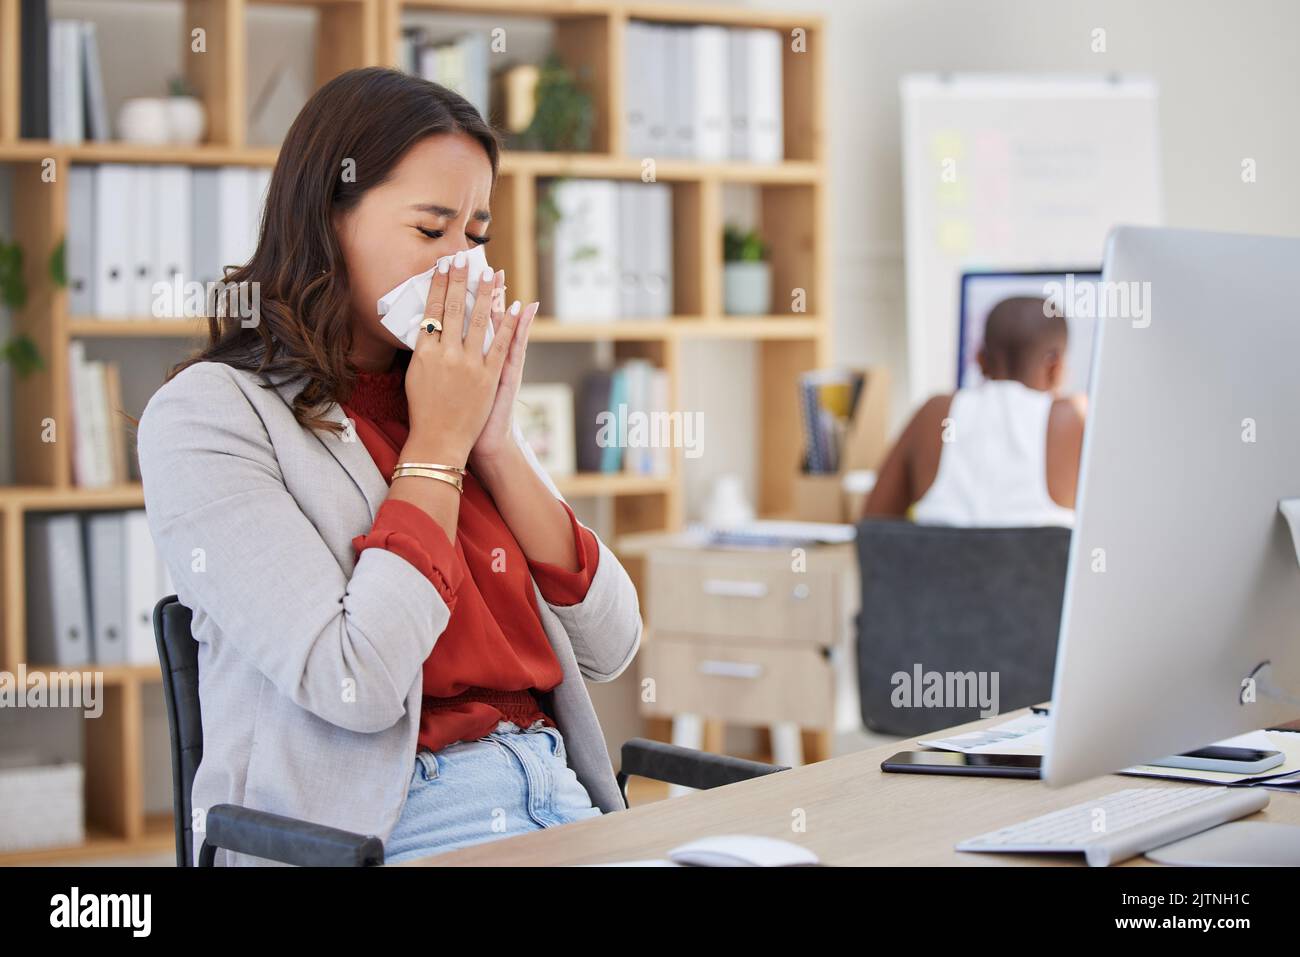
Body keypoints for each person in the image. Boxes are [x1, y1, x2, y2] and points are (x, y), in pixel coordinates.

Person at [136, 67, 641, 866]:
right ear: (326, 219)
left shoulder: (444, 396)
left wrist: (495, 446)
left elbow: (613, 642)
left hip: (560, 791)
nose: (460, 267)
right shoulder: (210, 417)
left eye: (474, 235)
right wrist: (436, 447)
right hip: (395, 821)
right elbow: (356, 679)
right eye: (430, 229)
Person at [862, 295, 1086, 526]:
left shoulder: (934, 412)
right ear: (1056, 368)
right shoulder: (1067, 417)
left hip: (940, 562)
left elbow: (874, 528)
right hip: (1042, 563)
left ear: (979, 359)